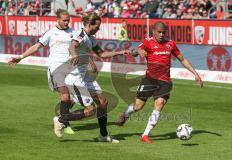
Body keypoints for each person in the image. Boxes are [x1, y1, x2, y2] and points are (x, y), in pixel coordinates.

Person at [7, 9, 95, 136]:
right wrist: (21, 57)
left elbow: (82, 48)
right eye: (64, 20)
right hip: (56, 68)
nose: (66, 22)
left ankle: (61, 120)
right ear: (57, 20)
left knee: (72, 100)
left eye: (68, 20)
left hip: (71, 70)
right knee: (65, 96)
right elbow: (36, 47)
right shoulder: (51, 33)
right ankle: (65, 124)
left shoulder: (75, 32)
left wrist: (90, 62)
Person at [116, 21, 203, 144]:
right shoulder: (147, 41)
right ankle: (125, 115)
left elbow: (182, 59)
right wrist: (138, 51)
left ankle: (145, 135)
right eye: (159, 32)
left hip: (165, 81)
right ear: (153, 31)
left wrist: (195, 74)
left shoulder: (170, 44)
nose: (162, 34)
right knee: (138, 107)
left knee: (160, 104)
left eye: (163, 32)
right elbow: (135, 51)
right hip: (149, 80)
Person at [53, 12, 130, 143]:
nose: (98, 29)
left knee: (103, 102)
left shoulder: (91, 38)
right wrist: (73, 54)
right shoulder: (81, 35)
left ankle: (103, 135)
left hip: (85, 77)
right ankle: (61, 119)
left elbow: (102, 54)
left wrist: (121, 52)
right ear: (89, 24)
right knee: (91, 110)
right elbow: (72, 46)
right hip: (75, 79)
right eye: (97, 26)